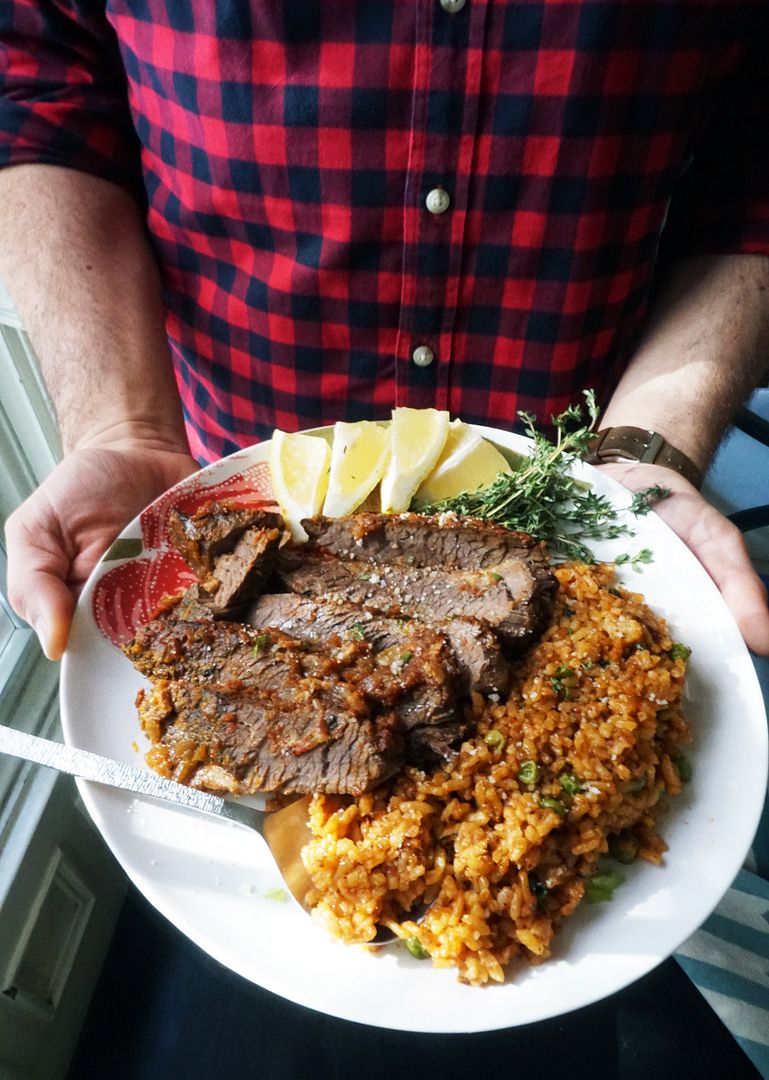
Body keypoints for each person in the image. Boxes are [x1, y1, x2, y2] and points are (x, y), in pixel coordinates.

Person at [1, 4, 769, 662]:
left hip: (586, 463)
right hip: (227, 469)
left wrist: (645, 451)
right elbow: (38, 90)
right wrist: (119, 426)